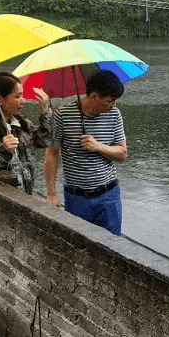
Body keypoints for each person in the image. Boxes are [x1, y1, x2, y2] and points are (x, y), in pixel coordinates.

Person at [44, 69, 127, 236]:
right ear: (94, 96)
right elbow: (51, 154)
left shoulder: (114, 115)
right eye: (110, 101)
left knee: (113, 247)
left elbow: (122, 153)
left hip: (108, 195)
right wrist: (51, 193)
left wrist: (98, 146)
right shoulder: (62, 115)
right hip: (77, 198)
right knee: (78, 246)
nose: (113, 106)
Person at [0, 71, 54, 194]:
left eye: (22, 95)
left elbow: (48, 141)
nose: (23, 100)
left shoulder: (21, 125)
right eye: (17, 96)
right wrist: (3, 152)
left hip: (24, 197)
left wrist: (46, 114)